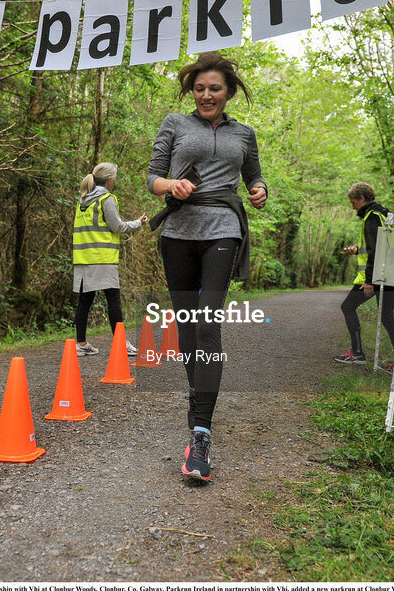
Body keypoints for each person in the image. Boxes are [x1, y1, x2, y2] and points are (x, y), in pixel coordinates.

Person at [147, 51, 268, 482]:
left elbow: (255, 175)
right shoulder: (175, 124)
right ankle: (199, 395)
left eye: (214, 88)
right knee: (186, 330)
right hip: (178, 231)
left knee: (207, 324)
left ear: (229, 92)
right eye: (199, 88)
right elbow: (152, 177)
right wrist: (171, 185)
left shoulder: (245, 134)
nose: (206, 95)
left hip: (223, 227)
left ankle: (200, 432)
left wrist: (258, 190)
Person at [73, 162, 147, 357]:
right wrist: (138, 223)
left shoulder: (83, 200)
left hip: (83, 258)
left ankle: (81, 343)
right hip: (103, 258)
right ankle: (121, 344)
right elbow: (118, 227)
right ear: (110, 180)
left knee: (85, 301)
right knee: (113, 300)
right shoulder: (106, 198)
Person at [336, 182, 394, 378]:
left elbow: (377, 250)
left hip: (376, 277)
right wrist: (357, 250)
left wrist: (369, 280)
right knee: (387, 318)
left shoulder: (371, 218)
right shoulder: (382, 215)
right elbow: (379, 246)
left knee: (347, 307)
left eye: (353, 202)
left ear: (362, 198)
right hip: (388, 275)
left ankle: (357, 354)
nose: (353, 207)